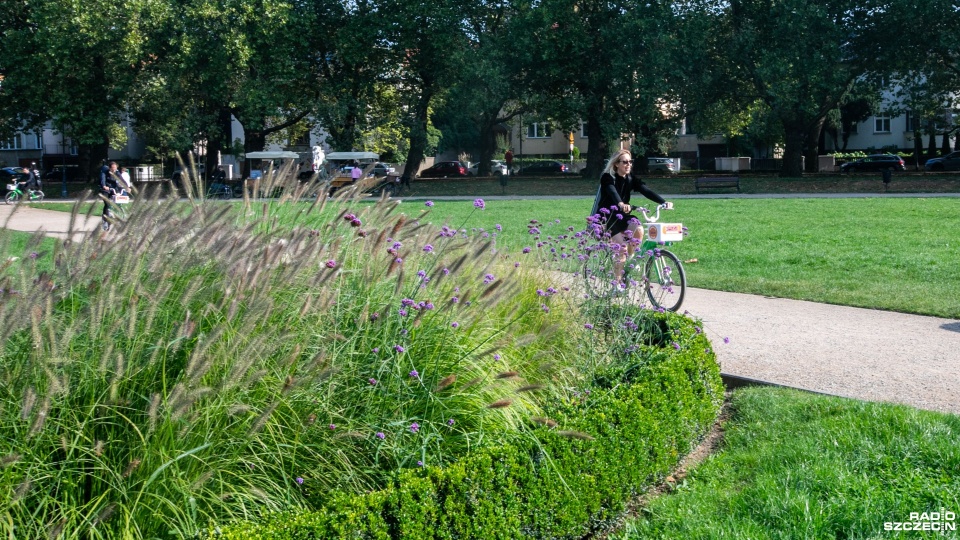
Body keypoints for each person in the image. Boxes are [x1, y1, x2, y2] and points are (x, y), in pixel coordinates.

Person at [590, 148, 672, 280]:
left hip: (623, 215)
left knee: (638, 229)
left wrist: (663, 202)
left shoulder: (630, 178)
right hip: (607, 217)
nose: (629, 165)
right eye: (625, 162)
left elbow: (645, 190)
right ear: (616, 164)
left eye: (630, 162)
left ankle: (629, 259)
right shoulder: (607, 177)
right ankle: (616, 285)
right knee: (621, 249)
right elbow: (612, 192)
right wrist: (621, 204)